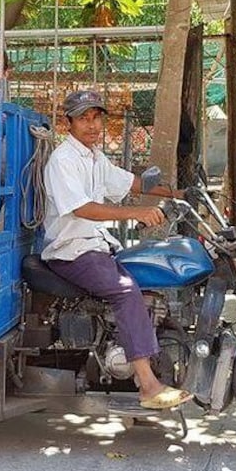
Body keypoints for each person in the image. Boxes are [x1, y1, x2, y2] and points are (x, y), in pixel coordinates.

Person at [41, 89, 191, 410]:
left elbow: (131, 183)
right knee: (124, 291)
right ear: (68, 123)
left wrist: (179, 193)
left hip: (96, 246)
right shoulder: (63, 160)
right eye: (84, 118)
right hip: (71, 251)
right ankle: (148, 385)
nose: (92, 125)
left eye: (96, 117)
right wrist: (136, 213)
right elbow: (83, 209)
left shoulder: (95, 156)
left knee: (145, 275)